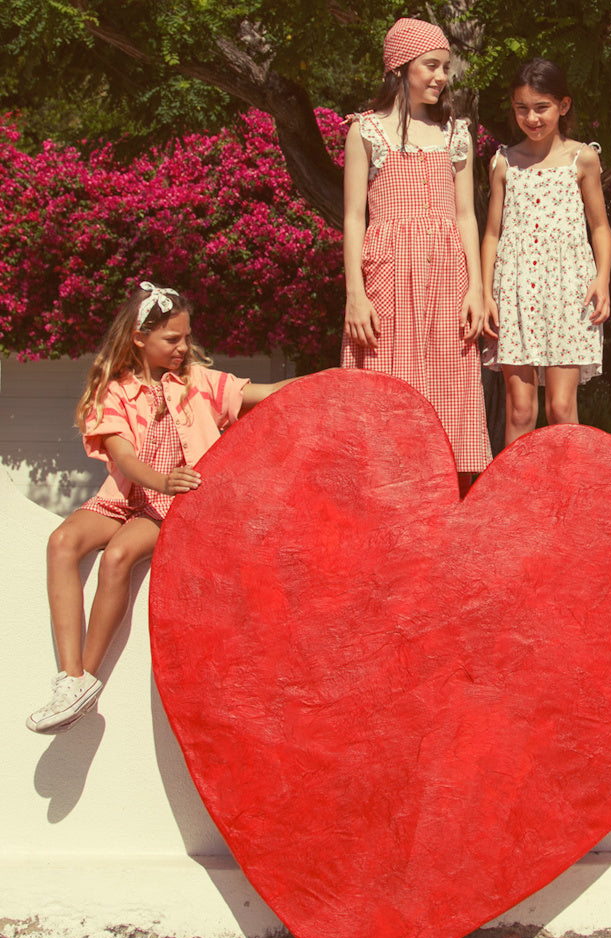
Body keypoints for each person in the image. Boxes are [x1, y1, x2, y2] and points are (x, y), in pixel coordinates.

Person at [26, 281, 296, 734]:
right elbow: (125, 458)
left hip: (170, 506)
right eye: (172, 339)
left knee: (117, 558)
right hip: (125, 498)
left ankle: (87, 677)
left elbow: (267, 392)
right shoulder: (114, 391)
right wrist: (160, 478)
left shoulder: (199, 383)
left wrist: (336, 374)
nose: (183, 347)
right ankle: (70, 680)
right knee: (62, 542)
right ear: (139, 338)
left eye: (186, 337)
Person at [342, 16, 491, 493]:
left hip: (450, 275)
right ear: (400, 66)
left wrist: (477, 288)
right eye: (431, 65)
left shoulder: (456, 132)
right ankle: (391, 508)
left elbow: (467, 215)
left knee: (453, 388)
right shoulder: (366, 131)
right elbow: (352, 218)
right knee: (392, 383)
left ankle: (450, 509)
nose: (440, 77)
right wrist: (354, 294)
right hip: (389, 274)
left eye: (445, 67)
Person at [481, 58, 611, 446]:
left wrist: (602, 279)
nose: (532, 117)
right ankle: (517, 503)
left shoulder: (582, 158)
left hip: (568, 291)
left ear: (563, 106)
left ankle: (568, 500)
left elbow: (601, 227)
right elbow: (492, 233)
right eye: (522, 108)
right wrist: (487, 293)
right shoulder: (504, 161)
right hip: (516, 292)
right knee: (520, 410)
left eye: (541, 107)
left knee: (560, 408)